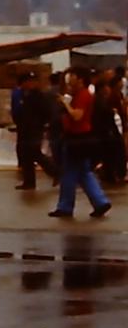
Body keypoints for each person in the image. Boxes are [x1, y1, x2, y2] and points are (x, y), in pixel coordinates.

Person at [50, 68, 111, 220]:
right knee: (84, 173)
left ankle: (65, 206)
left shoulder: (83, 95)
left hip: (77, 138)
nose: (69, 80)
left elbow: (77, 116)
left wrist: (66, 104)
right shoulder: (77, 94)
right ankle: (100, 201)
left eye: (72, 77)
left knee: (69, 173)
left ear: (81, 79)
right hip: (79, 137)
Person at [12, 71, 59, 191]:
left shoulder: (39, 96)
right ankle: (29, 182)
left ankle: (56, 173)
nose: (31, 84)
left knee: (35, 153)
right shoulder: (21, 96)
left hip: (35, 129)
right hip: (23, 129)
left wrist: (43, 125)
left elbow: (47, 112)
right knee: (25, 155)